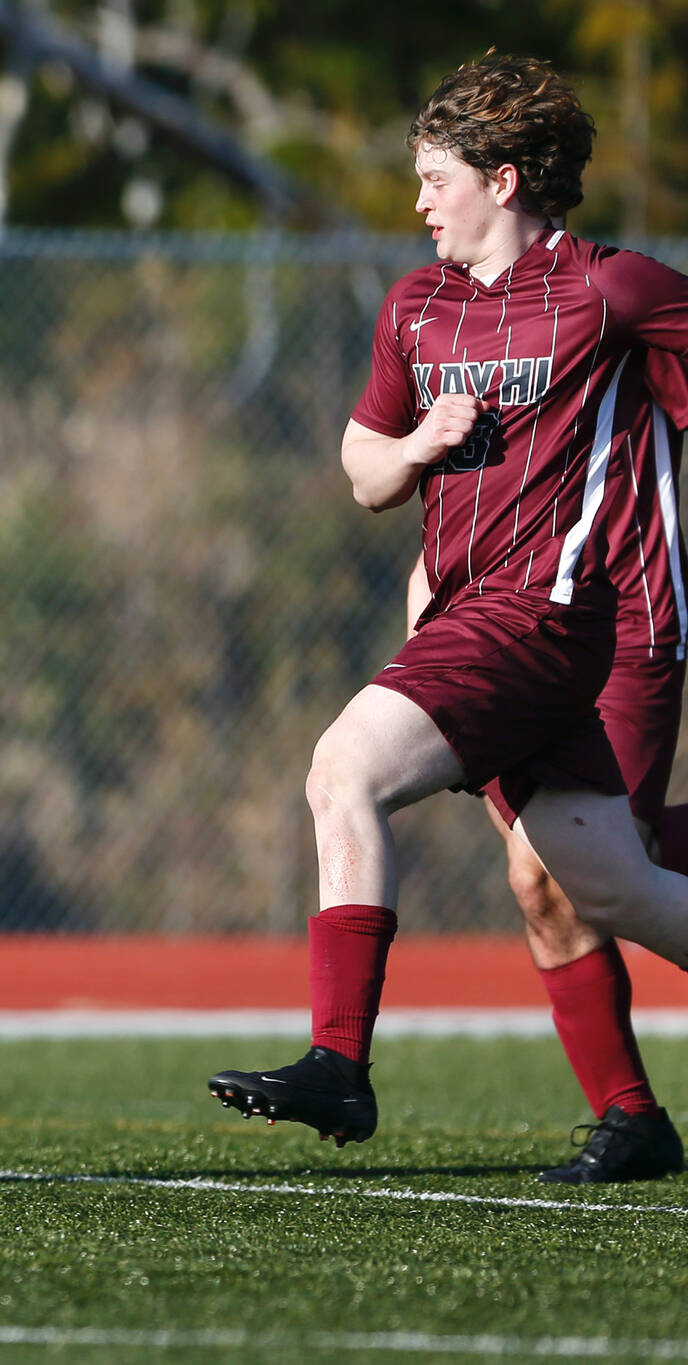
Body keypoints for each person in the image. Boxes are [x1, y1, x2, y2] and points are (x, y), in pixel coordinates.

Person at [207, 54, 688, 1162]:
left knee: (344, 769)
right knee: (602, 880)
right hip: (474, 616)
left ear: (503, 180)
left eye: (436, 180)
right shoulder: (415, 305)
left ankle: (338, 1064)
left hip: (555, 617)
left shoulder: (609, 290)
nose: (419, 203)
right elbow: (364, 468)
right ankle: (632, 1119)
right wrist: (418, 444)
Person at [395, 357, 688, 1184]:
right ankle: (632, 1118)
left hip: (623, 618)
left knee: (572, 868)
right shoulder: (454, 317)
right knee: (552, 881)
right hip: (504, 621)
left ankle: (631, 1116)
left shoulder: (622, 303)